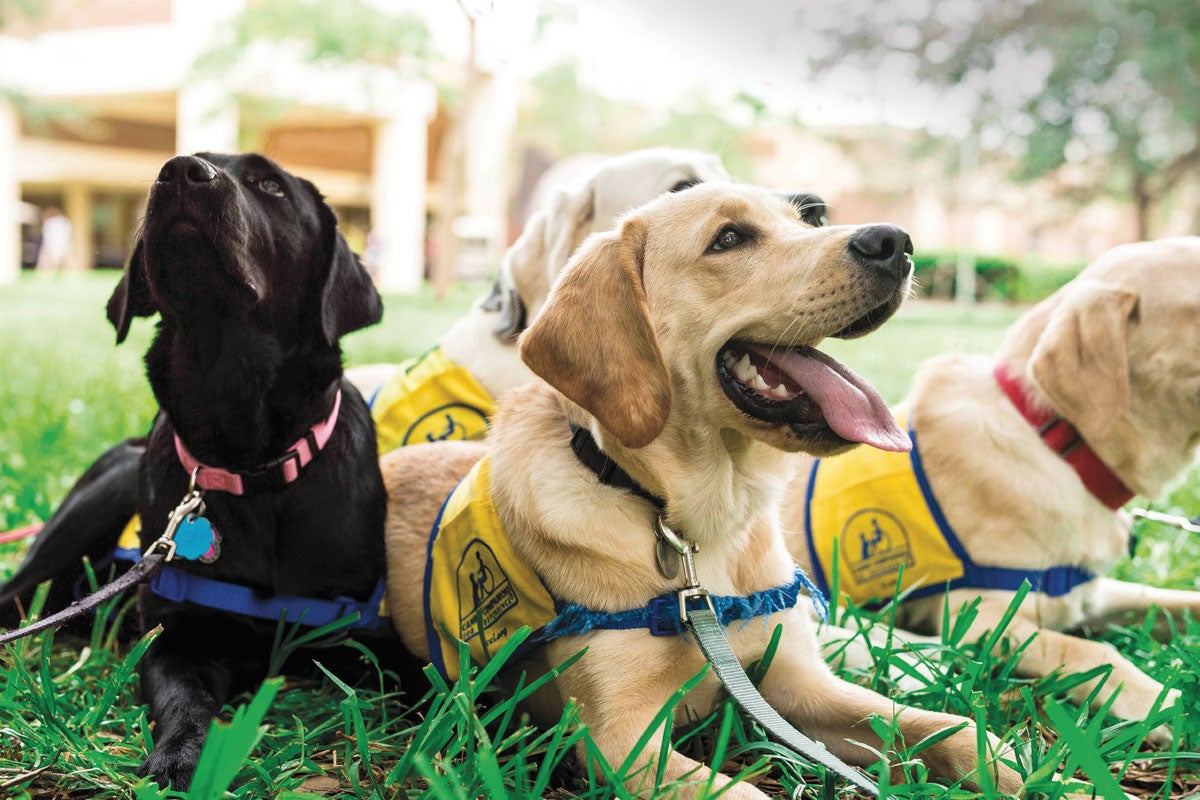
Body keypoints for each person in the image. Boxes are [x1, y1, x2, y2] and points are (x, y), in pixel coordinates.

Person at [35, 207, 73, 273]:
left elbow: (48, 236)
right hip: (60, 245)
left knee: (52, 262)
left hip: (55, 245)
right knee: (50, 262)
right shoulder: (63, 221)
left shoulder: (52, 222)